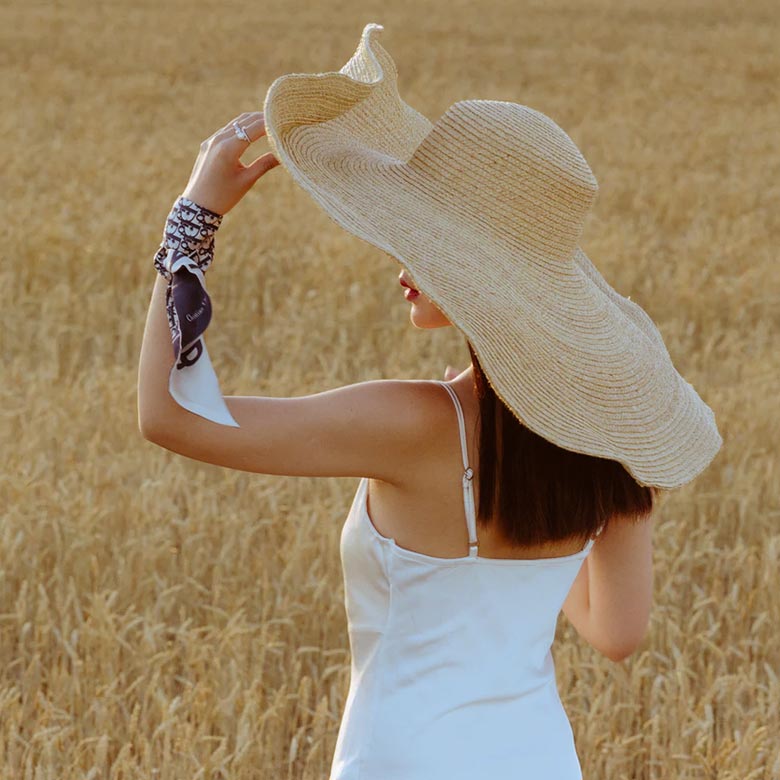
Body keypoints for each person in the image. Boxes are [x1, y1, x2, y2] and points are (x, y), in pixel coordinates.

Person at [137, 23, 722, 780]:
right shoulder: (612, 439)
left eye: (427, 238)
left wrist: (192, 219)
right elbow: (617, 632)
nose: (402, 258)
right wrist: (551, 461)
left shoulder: (412, 425)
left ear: (480, 273)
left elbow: (170, 414)